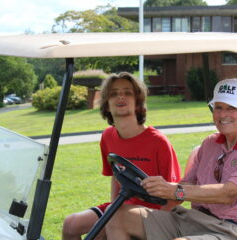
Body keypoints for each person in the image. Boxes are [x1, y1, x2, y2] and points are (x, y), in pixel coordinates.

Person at [105, 78, 237, 240]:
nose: (222, 115)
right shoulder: (211, 143)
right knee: (117, 216)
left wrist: (176, 191)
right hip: (195, 220)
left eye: (231, 108)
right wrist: (157, 190)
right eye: (218, 107)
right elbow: (187, 184)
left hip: (234, 230)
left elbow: (228, 193)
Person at [62, 72, 181, 240]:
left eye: (127, 93)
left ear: (138, 103)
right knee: (71, 224)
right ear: (106, 104)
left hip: (152, 214)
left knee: (108, 227)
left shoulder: (158, 142)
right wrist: (112, 209)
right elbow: (116, 177)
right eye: (114, 94)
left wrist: (157, 230)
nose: (121, 97)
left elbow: (174, 197)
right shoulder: (108, 137)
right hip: (122, 205)